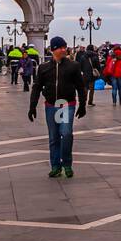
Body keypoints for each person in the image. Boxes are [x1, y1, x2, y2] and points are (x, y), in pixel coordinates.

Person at [28, 36, 86, 178]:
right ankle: (55, 166)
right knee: (53, 137)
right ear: (54, 49)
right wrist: (32, 106)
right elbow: (36, 87)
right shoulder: (43, 68)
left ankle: (66, 163)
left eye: (65, 47)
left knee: (66, 134)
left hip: (66, 105)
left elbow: (80, 86)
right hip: (51, 105)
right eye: (61, 47)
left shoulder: (73, 66)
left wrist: (83, 104)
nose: (64, 50)